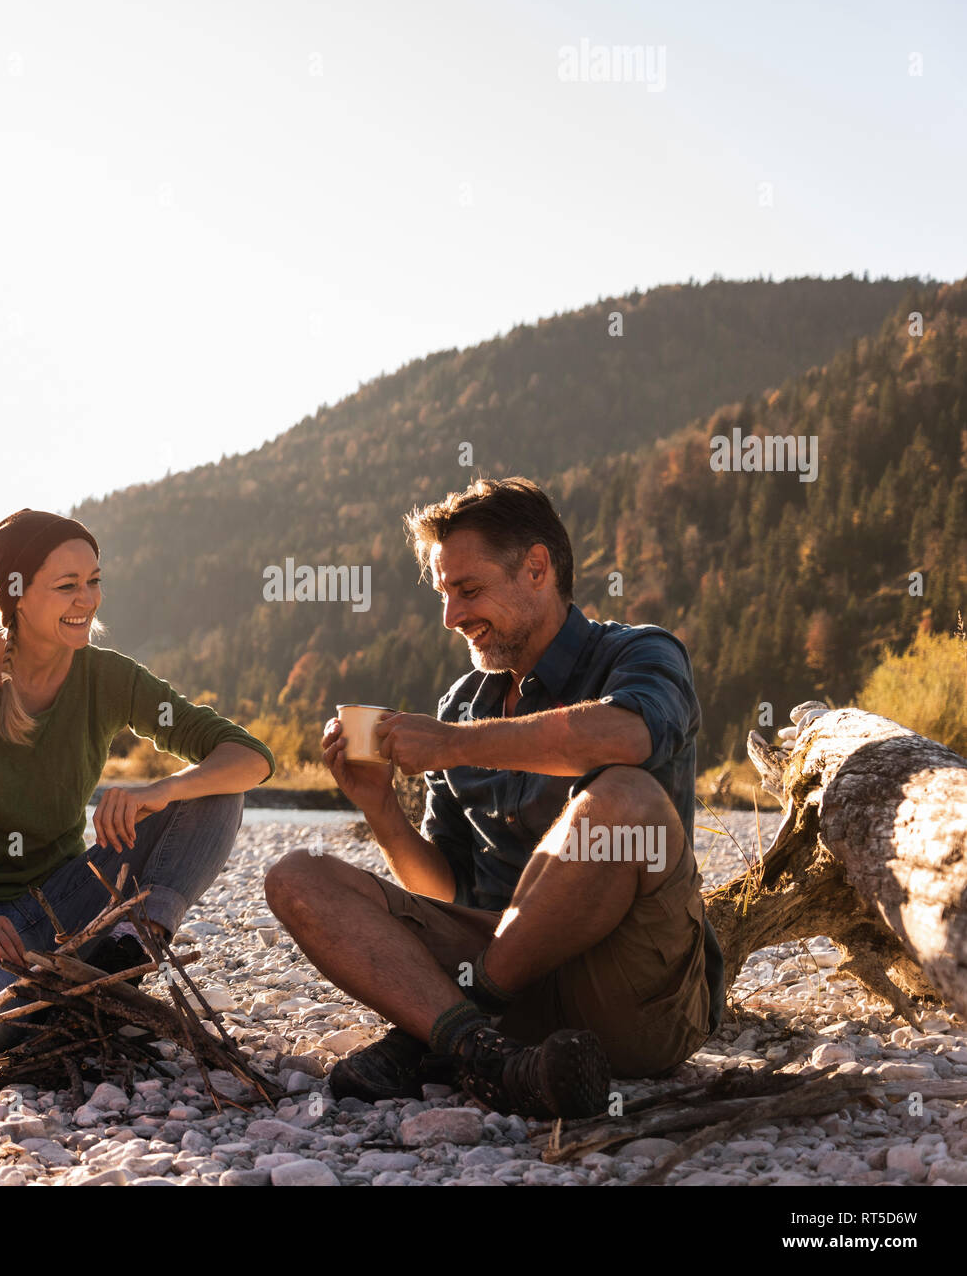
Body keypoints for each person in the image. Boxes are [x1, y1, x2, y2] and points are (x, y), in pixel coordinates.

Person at [265, 477, 723, 1119]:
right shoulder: (463, 703)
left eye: (469, 590)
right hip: (508, 986)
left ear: (537, 568)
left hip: (632, 994)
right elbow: (445, 889)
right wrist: (380, 808)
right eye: (445, 593)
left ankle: (452, 1025)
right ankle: (488, 1057)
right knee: (296, 877)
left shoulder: (640, 652)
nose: (452, 616)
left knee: (624, 798)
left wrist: (454, 745)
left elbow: (629, 732)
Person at [0, 508, 274, 1051]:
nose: (87, 599)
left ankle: (125, 955)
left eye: (94, 582)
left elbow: (249, 756)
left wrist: (160, 791)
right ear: (17, 595)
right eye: (67, 586)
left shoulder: (109, 676)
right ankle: (62, 1001)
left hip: (62, 903)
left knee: (216, 788)